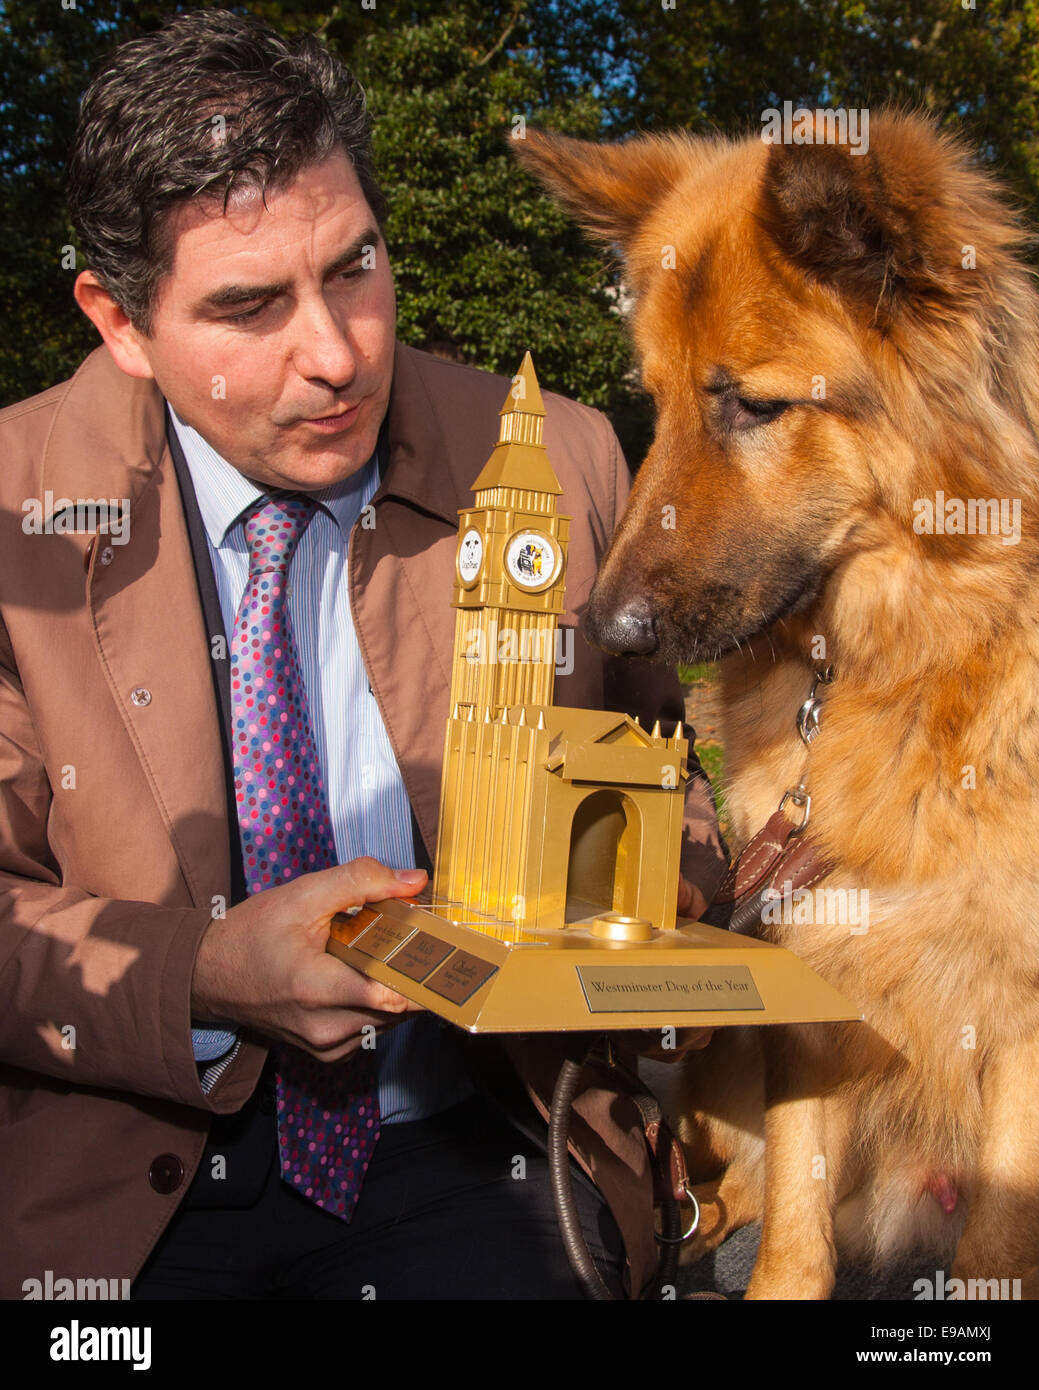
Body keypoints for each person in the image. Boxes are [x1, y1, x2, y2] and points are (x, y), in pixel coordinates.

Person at [0, 9, 725, 1300]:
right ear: (118, 320)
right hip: (127, 1194)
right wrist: (209, 972)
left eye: (354, 267)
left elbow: (673, 767)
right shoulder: (17, 513)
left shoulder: (561, 458)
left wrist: (675, 890)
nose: (334, 356)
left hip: (492, 1145)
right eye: (246, 306)